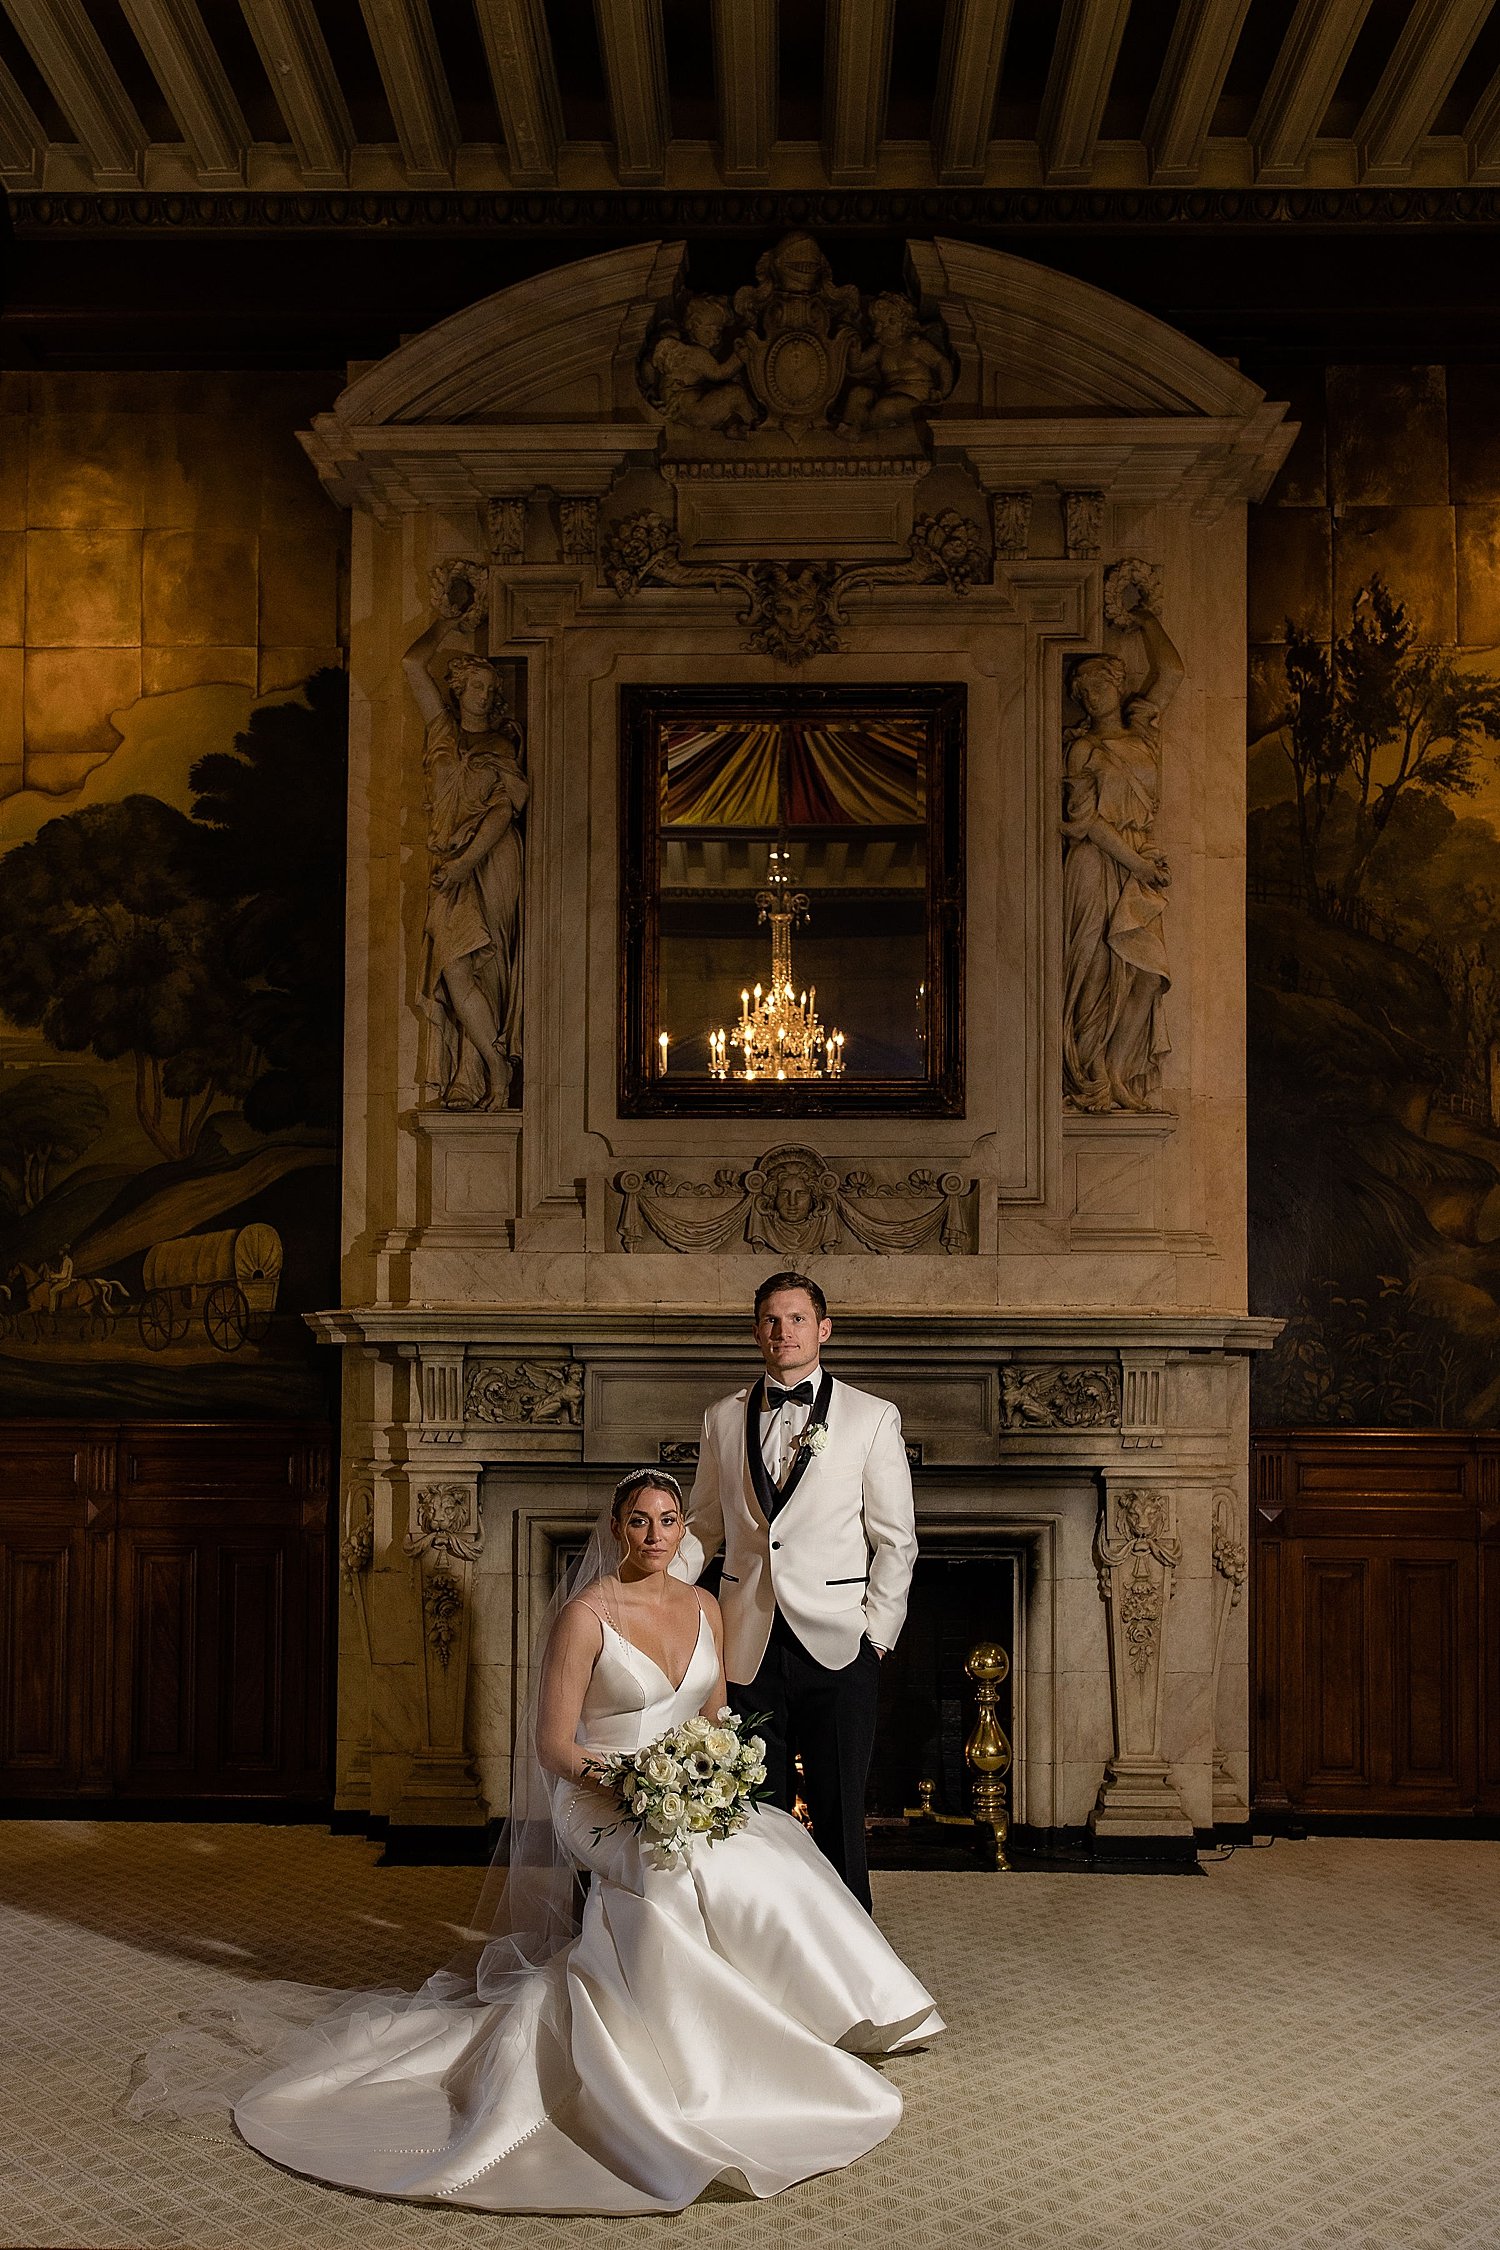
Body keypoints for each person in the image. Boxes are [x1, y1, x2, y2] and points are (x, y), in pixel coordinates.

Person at [125, 1468, 940, 2214]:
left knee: (771, 1848)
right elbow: (556, 1746)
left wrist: (711, 1776)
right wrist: (636, 1786)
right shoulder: (586, 1616)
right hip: (598, 1797)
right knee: (668, 1879)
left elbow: (714, 1711)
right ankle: (684, 2065)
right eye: (639, 1522)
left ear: (679, 1532)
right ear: (617, 1530)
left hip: (687, 1788)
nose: (655, 1535)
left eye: (666, 1521)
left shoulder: (703, 1607)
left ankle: (800, 2022)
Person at [677, 1270, 917, 1911]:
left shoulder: (872, 1417)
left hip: (841, 1643)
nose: (784, 1331)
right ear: (757, 1331)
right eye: (772, 1320)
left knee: (841, 1811)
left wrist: (878, 1638)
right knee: (757, 1812)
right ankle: (769, 1948)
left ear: (823, 1330)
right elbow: (702, 1524)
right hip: (746, 1640)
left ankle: (851, 1958)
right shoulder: (722, 1419)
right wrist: (659, 1597)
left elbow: (895, 1539)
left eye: (798, 1319)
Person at [403, 621, 527, 1110]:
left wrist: (465, 863)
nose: (482, 695)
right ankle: (491, 1065)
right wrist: (448, 621)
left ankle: (476, 1072)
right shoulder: (441, 731)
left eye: (490, 689)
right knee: (454, 967)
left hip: (491, 859)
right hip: (448, 860)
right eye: (475, 685)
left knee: (482, 964)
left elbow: (503, 812)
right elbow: (411, 663)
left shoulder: (500, 747)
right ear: (457, 689)